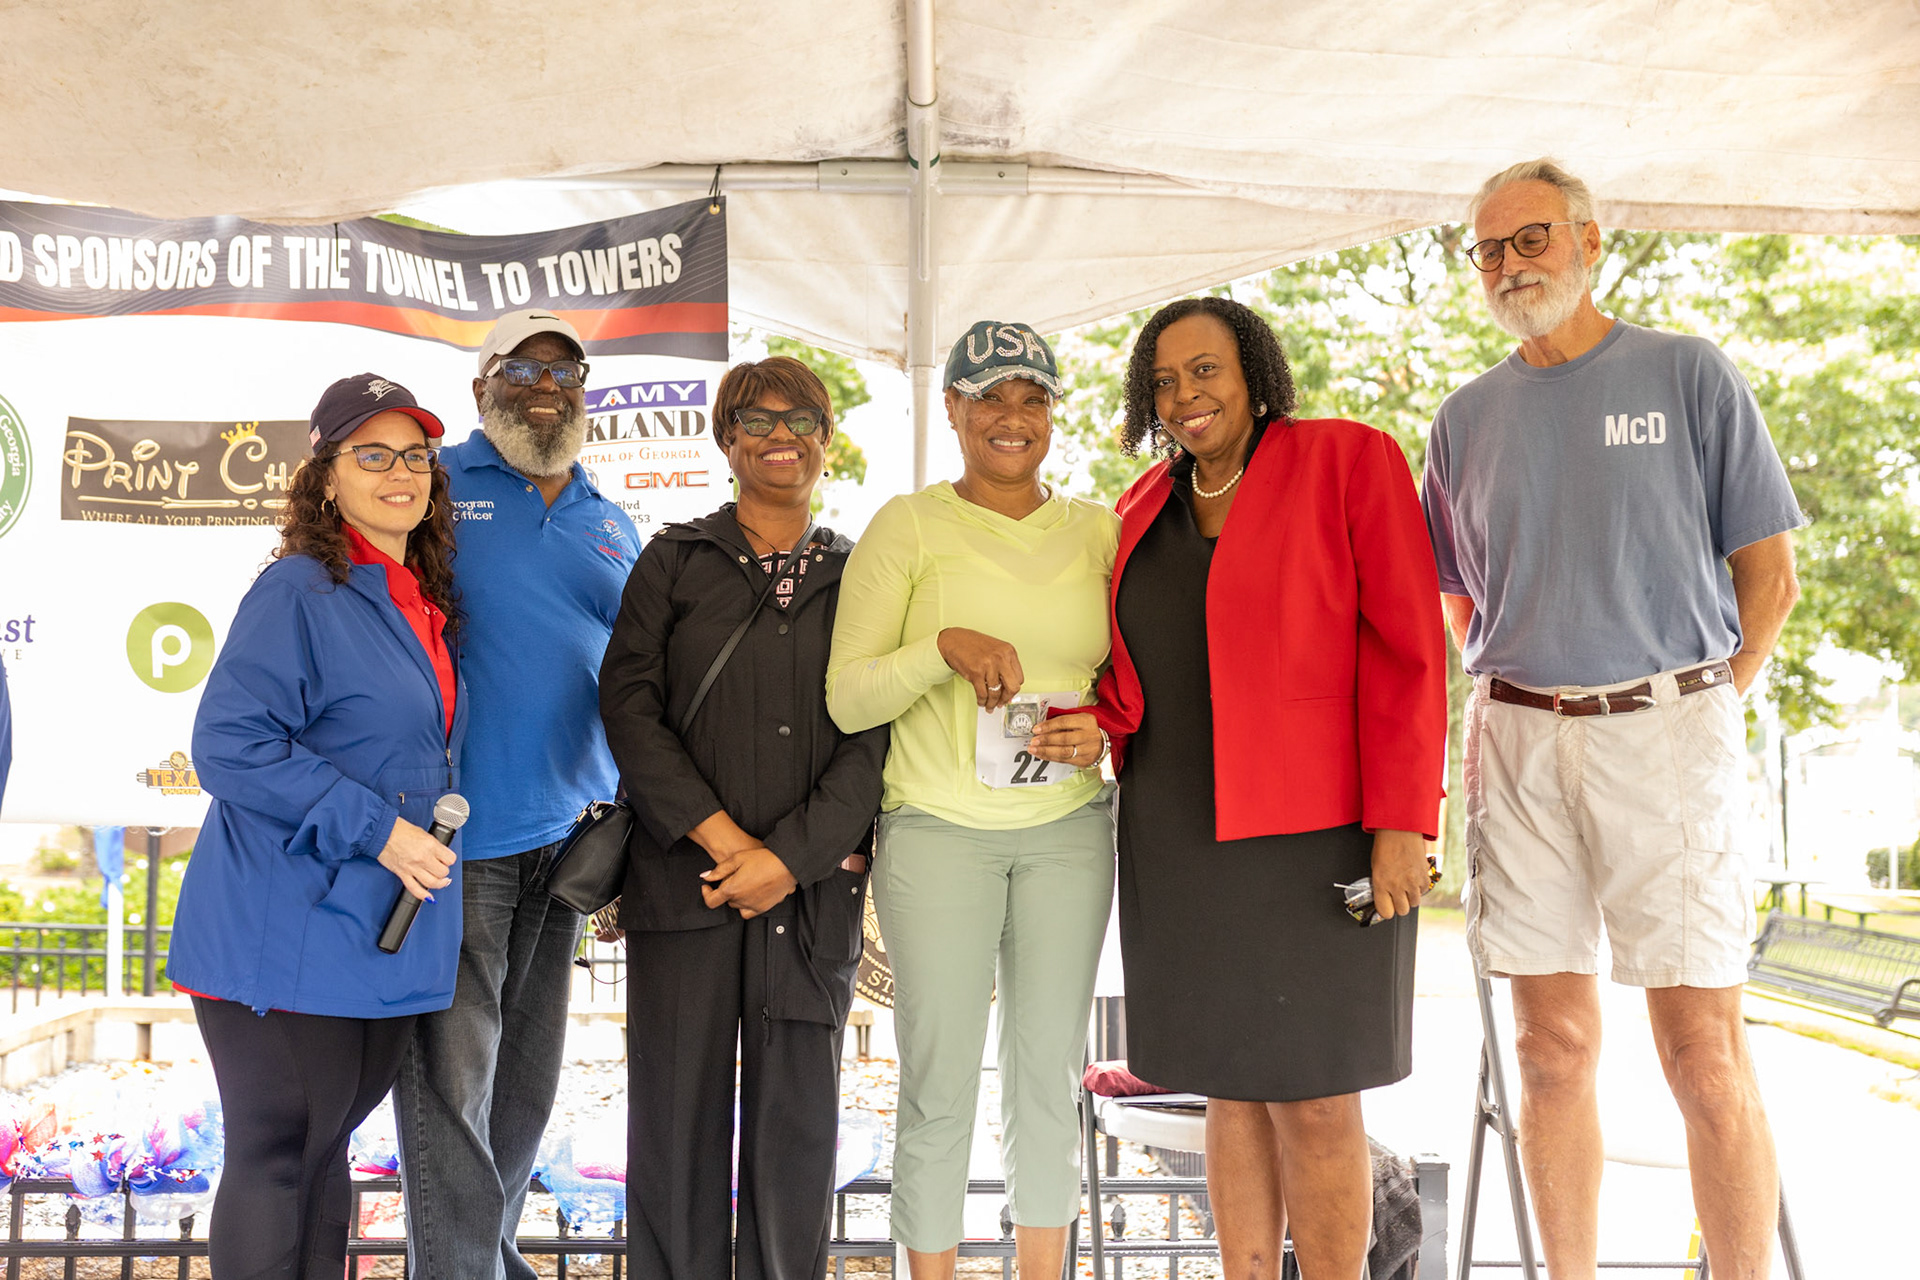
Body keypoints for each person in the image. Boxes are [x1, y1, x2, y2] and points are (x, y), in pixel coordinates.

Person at [1421, 158, 1804, 1280]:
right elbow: (1458, 600)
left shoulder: (1688, 373)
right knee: (1548, 1049)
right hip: (1516, 738)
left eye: (1530, 238)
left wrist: (1697, 706)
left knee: (1702, 1056)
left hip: (1670, 729)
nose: (1509, 265)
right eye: (1488, 250)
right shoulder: (1464, 418)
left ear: (1590, 241)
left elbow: (1769, 578)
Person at [1027, 296, 1447, 1279]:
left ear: (1254, 373)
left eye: (1204, 369)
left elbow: (1410, 651)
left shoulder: (1349, 459)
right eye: (1164, 381)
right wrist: (1094, 722)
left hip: (1321, 835)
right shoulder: (1142, 505)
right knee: (1229, 1088)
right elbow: (1143, 670)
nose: (1185, 394)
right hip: (1180, 837)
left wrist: (1402, 823)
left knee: (1317, 1094)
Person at [826, 321, 1118, 1280]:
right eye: (989, 397)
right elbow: (848, 696)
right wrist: (939, 649)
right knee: (938, 1079)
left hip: (1068, 831)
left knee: (1049, 1076)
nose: (1011, 417)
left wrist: (1104, 731)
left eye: (1033, 398)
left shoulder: (1099, 531)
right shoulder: (908, 526)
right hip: (938, 833)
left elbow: (1135, 685)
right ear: (951, 408)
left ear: (1054, 415)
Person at [167, 373, 465, 1277]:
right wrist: (381, 832)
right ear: (326, 477)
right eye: (372, 455)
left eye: (414, 456)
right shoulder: (298, 589)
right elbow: (229, 745)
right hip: (282, 923)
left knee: (324, 1151)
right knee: (281, 1153)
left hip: (371, 931)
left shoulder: (415, 596)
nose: (399, 473)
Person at [599, 355, 887, 1280]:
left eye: (801, 420)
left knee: (795, 1133)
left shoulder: (863, 573)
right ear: (728, 441)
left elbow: (876, 735)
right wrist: (725, 842)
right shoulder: (674, 560)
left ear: (827, 440)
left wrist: (790, 860)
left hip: (810, 899)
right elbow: (627, 708)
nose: (779, 437)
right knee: (673, 1125)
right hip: (687, 884)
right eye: (756, 420)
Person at [393, 310, 640, 1280]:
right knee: (453, 1081)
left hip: (570, 840)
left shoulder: (609, 519)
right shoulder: (435, 486)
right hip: (457, 835)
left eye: (565, 372)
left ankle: (484, 1256)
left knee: (525, 1079)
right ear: (481, 387)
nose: (545, 387)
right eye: (522, 369)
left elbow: (643, 670)